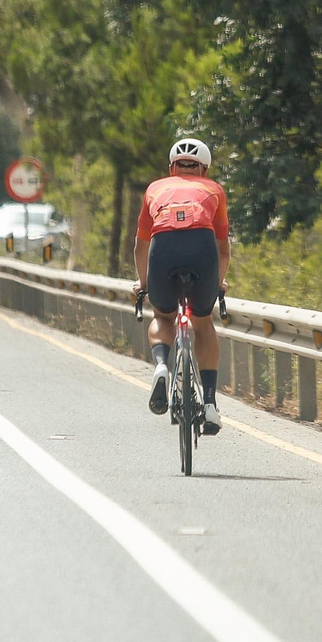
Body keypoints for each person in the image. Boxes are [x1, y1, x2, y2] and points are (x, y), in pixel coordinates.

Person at [133, 138, 230, 434]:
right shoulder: (214, 189)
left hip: (162, 249)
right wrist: (218, 282)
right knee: (202, 323)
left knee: (163, 317)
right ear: (204, 168)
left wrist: (144, 283)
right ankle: (210, 405)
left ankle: (162, 365)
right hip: (203, 248)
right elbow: (223, 247)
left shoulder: (155, 189)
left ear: (172, 167)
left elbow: (141, 245)